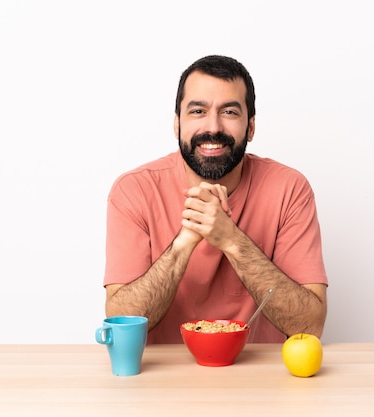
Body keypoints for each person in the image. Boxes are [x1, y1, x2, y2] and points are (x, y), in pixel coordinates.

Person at [103, 55, 328, 344]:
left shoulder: (290, 189)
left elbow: (309, 327)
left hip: (262, 379)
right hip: (161, 381)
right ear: (177, 124)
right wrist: (184, 242)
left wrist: (231, 240)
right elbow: (121, 323)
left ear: (251, 127)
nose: (213, 127)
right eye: (197, 111)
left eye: (230, 112)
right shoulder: (133, 190)